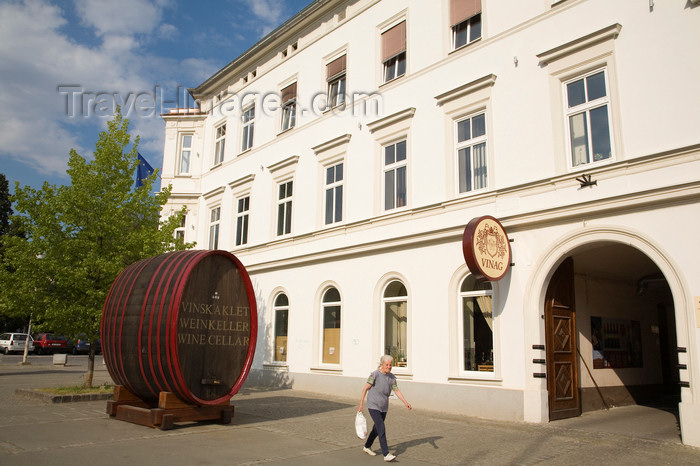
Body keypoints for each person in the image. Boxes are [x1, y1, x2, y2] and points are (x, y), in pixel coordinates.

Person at [358, 354, 412, 462]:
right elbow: (365, 389)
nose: (388, 367)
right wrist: (360, 405)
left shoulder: (392, 377)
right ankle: (386, 453)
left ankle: (367, 446)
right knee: (381, 426)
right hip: (373, 405)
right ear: (382, 365)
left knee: (377, 429)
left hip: (383, 407)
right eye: (386, 365)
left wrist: (405, 402)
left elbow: (396, 390)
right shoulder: (375, 375)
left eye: (390, 365)